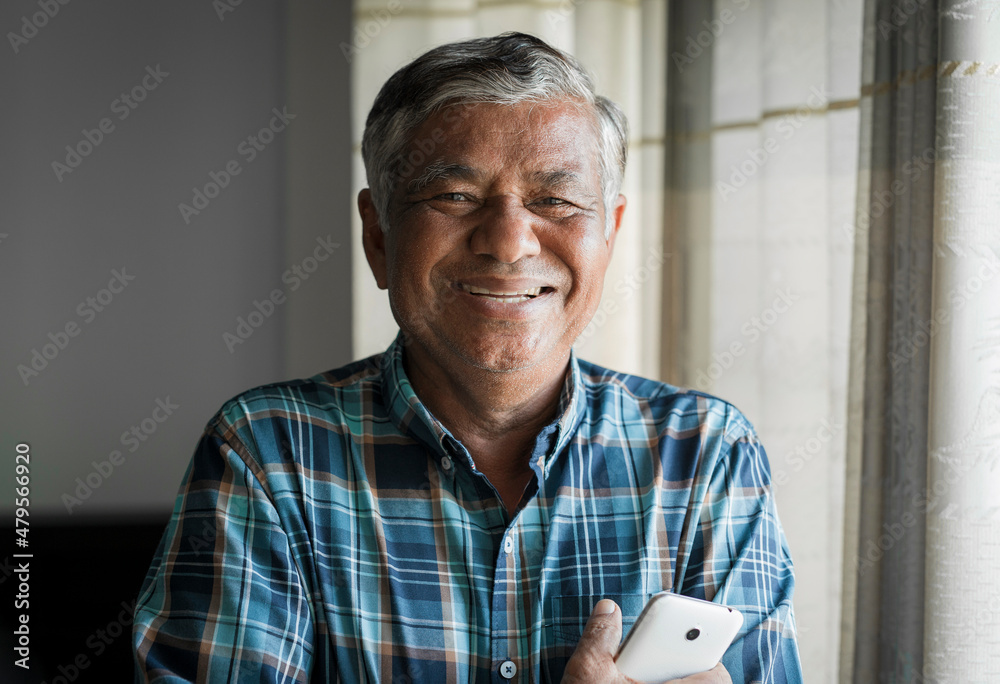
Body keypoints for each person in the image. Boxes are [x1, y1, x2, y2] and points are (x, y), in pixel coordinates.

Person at [133, 32, 803, 683]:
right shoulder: (268, 453)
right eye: (455, 197)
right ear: (378, 236)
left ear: (610, 235)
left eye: (556, 200)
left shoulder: (706, 453)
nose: (509, 242)